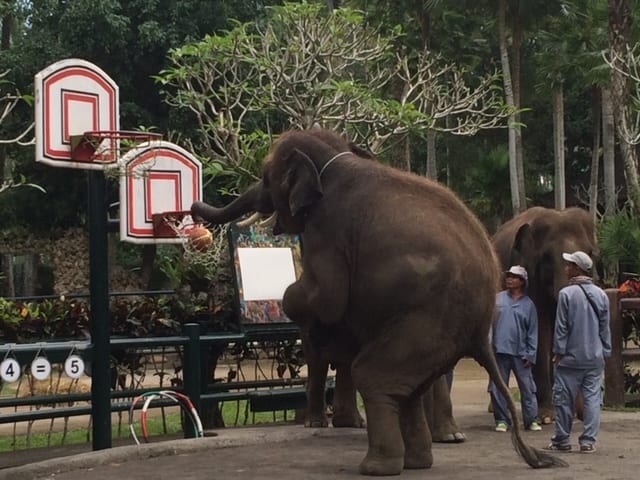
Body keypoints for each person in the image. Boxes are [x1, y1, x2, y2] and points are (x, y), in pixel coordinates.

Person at [546, 251, 611, 453]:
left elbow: (562, 327)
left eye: (569, 264)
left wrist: (558, 351)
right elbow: (604, 327)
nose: (566, 268)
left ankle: (562, 440)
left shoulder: (566, 294)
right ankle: (588, 441)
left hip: (570, 359)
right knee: (592, 400)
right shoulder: (601, 294)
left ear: (577, 268)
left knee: (564, 400)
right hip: (594, 358)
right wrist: (605, 351)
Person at [490, 265, 542, 432]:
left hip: (521, 353)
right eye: (509, 276)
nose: (509, 279)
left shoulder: (529, 305)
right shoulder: (497, 300)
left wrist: (531, 353)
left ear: (522, 282)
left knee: (527, 388)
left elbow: (533, 331)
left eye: (514, 277)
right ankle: (502, 420)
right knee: (498, 387)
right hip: (499, 351)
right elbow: (489, 325)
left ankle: (531, 419)